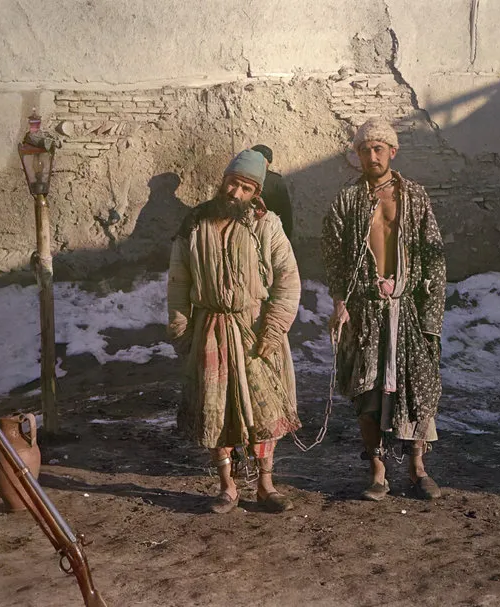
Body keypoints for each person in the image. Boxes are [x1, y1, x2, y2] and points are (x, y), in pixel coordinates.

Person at [168, 149, 301, 514]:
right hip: (210, 329)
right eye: (232, 183)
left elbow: (288, 280)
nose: (236, 193)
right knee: (217, 410)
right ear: (222, 181)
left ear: (255, 192)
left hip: (255, 328)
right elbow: (179, 282)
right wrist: (182, 331)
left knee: (264, 410)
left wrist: (273, 330)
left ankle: (265, 485)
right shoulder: (194, 225)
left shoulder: (265, 225)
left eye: (245, 188)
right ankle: (227, 487)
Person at [321, 118, 446, 501]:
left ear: (393, 151)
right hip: (365, 310)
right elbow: (335, 257)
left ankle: (418, 468)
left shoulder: (415, 197)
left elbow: (434, 256)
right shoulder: (347, 200)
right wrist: (341, 302)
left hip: (408, 307)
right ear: (356, 155)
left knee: (417, 389)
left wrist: (431, 315)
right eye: (364, 150)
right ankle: (377, 472)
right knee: (367, 392)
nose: (371, 156)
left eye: (378, 149)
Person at [251, 144, 293, 240]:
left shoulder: (276, 181)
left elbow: (286, 213)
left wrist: (286, 238)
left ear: (268, 163)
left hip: (269, 232)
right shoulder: (243, 178)